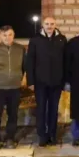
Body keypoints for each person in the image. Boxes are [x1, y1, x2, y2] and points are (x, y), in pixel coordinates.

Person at [26, 16, 67, 147]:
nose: (49, 26)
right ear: (43, 25)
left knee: (54, 110)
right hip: (40, 82)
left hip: (57, 82)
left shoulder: (62, 39)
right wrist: (31, 81)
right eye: (47, 24)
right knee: (41, 109)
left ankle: (52, 135)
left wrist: (65, 80)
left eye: (52, 24)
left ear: (56, 24)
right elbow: (30, 61)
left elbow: (65, 61)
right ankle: (42, 136)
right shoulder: (35, 40)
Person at [0, 26, 26, 148]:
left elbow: (24, 66)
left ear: (13, 35)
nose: (7, 37)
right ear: (0, 36)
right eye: (4, 35)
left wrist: (21, 78)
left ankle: (10, 138)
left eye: (10, 34)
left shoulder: (20, 49)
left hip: (14, 87)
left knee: (13, 114)